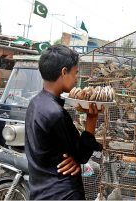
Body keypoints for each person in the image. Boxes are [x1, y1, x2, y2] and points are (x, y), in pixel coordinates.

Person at [25, 45, 103, 200]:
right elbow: (82, 156)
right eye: (75, 73)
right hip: (62, 193)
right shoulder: (56, 114)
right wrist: (91, 119)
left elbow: (55, 149)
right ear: (63, 72)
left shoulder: (35, 103)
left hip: (40, 191)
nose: (76, 79)